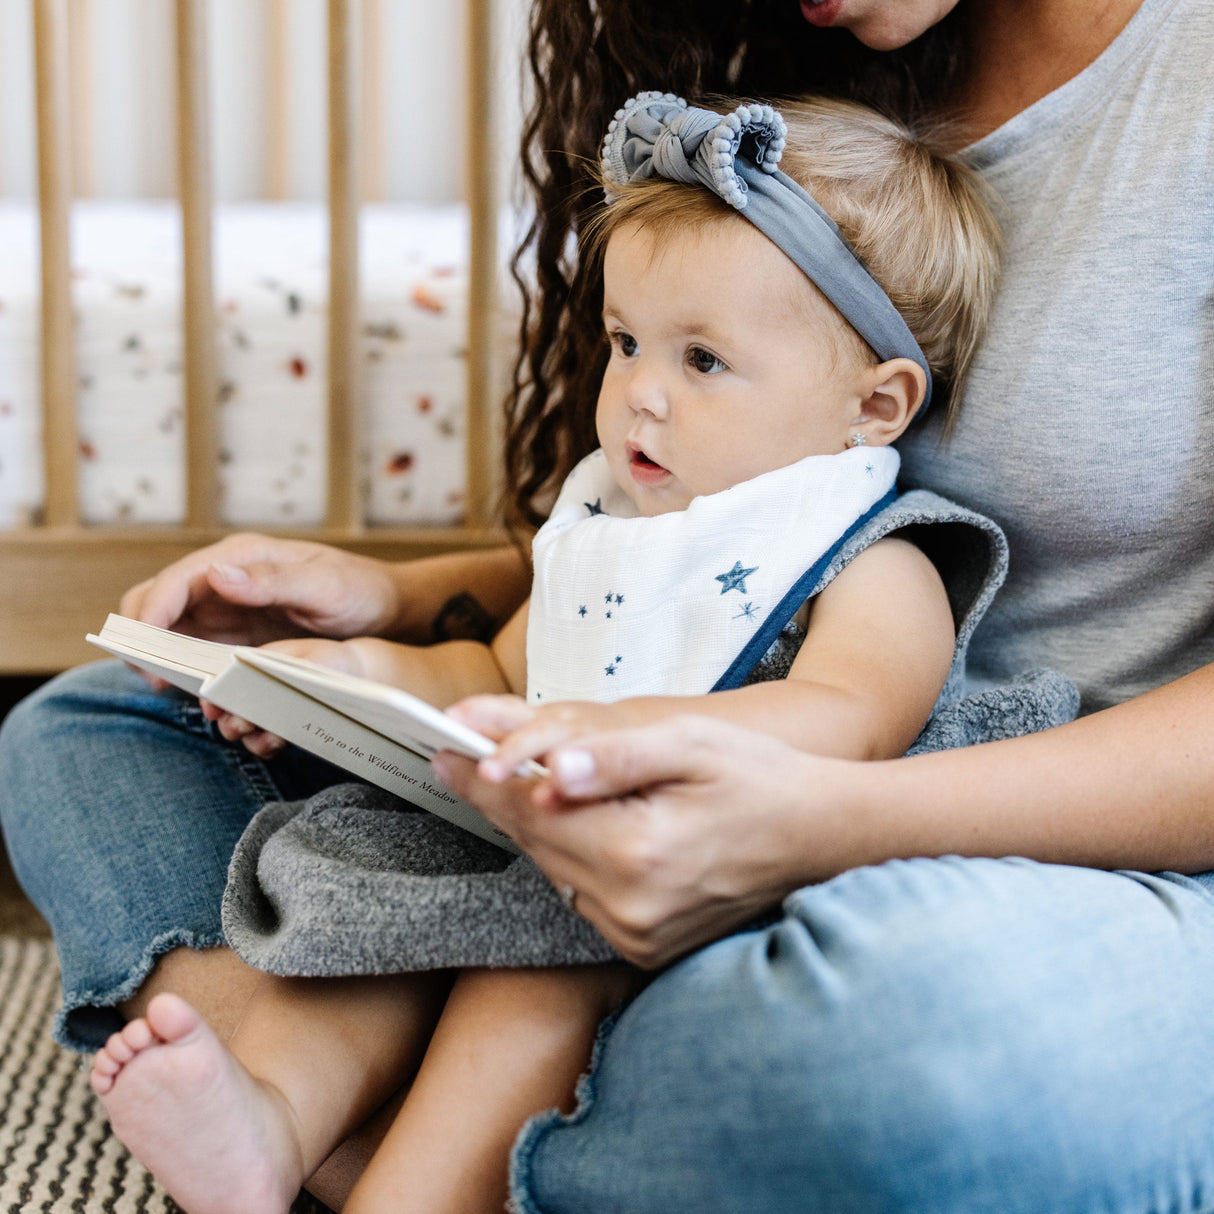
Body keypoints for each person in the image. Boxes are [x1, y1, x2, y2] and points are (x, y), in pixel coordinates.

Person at [1, 0, 1210, 1209]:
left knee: (782, 1029)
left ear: (878, 404)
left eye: (697, 361)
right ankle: (293, 1120)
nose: (635, 393)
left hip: (970, 852)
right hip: (570, 827)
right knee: (122, 737)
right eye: (623, 343)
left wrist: (740, 797)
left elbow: (849, 713)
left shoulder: (882, 558)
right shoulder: (810, 100)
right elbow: (509, 655)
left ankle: (418, 1171)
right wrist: (366, 656)